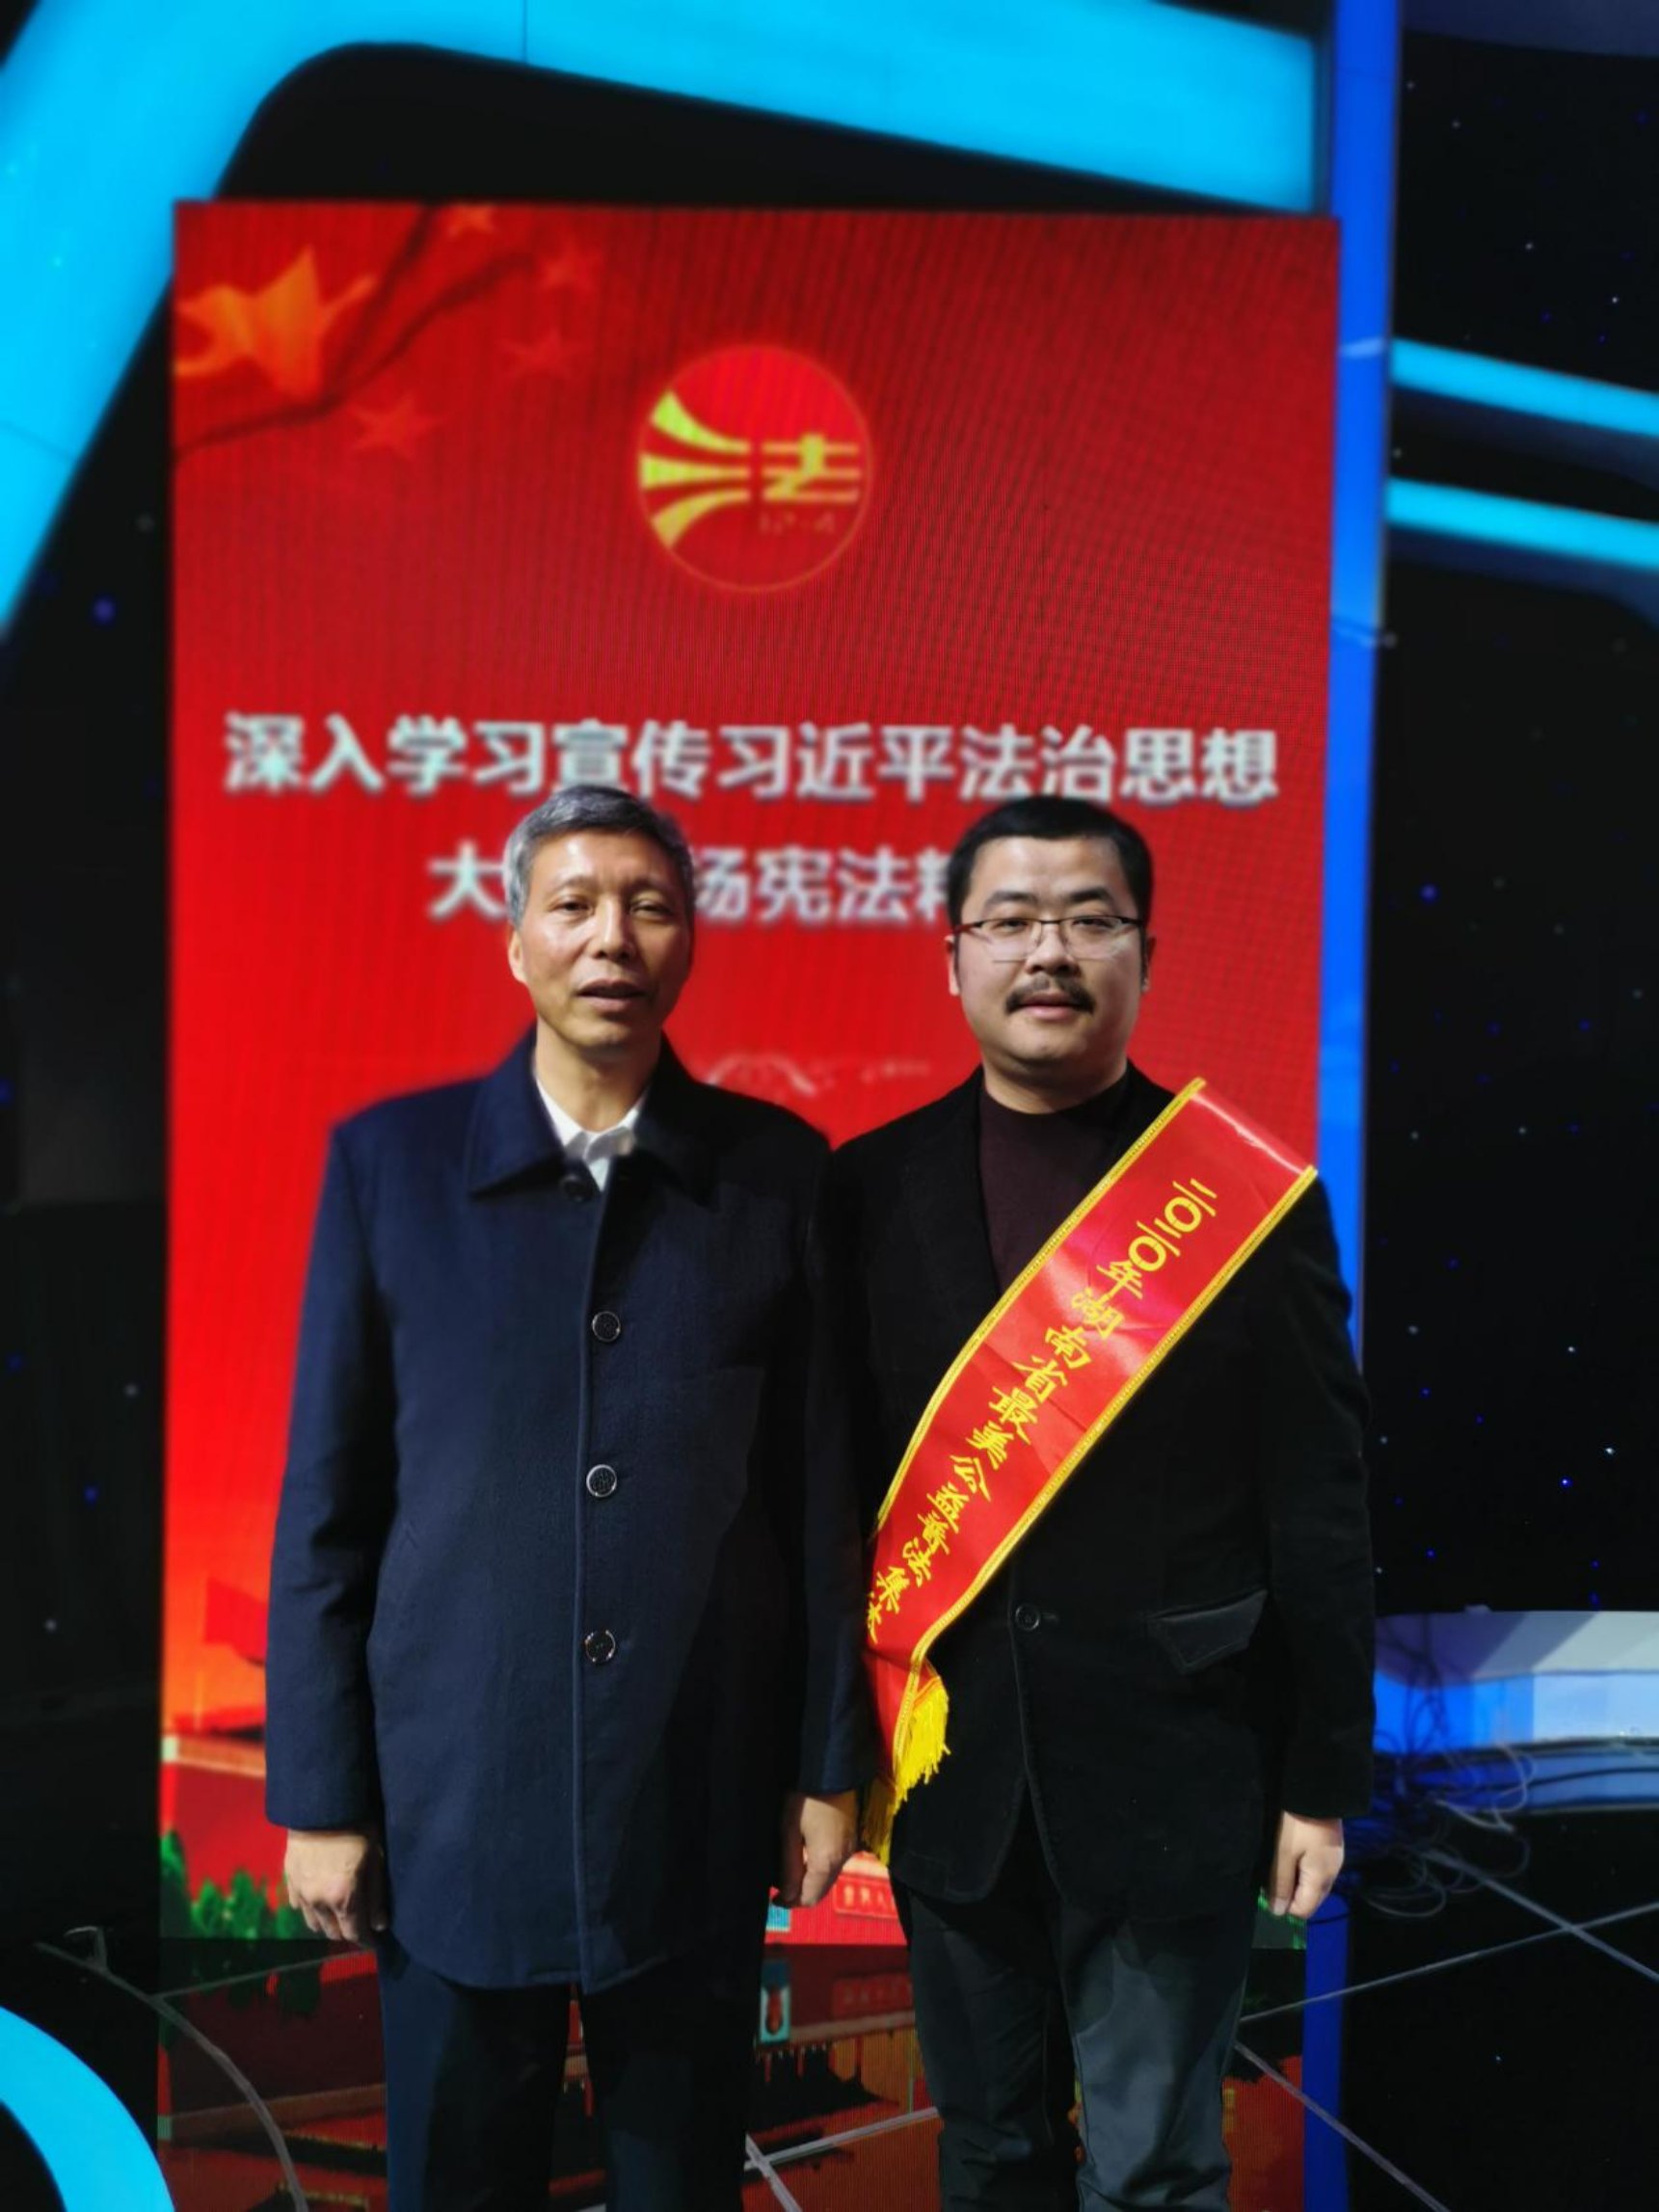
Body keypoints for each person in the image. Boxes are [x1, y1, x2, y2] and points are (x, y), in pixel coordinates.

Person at [266, 786, 872, 2212]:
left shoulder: (774, 1174)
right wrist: (323, 1797)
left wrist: (825, 1764)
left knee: (680, 2182)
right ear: (515, 940)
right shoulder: (392, 1166)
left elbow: (820, 1497)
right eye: (577, 904)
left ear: (690, 942)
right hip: (453, 1797)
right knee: (458, 2179)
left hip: (696, 1787)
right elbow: (329, 1505)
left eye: (650, 907)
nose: (614, 938)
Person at [828, 796, 1374, 2210]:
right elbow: (828, 1503)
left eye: (1088, 919)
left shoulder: (1248, 1205)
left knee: (1156, 2172)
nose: (1048, 952)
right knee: (989, 2154)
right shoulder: (863, 1194)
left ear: (1145, 953)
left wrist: (1320, 1779)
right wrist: (823, 1759)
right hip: (953, 1784)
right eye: (1010, 921)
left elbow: (1319, 1508)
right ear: (953, 958)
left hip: (1173, 1763)